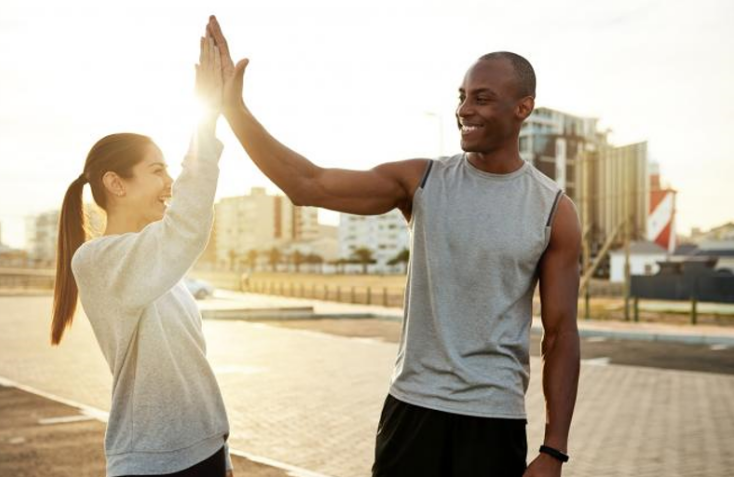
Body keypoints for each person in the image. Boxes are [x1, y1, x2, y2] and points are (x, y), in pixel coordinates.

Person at [206, 17, 581, 477]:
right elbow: (308, 184)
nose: (465, 109)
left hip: (493, 420)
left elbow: (562, 335)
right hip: (413, 410)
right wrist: (234, 111)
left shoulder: (553, 210)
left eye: (482, 98)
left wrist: (554, 450)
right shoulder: (421, 181)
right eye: (461, 96)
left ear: (524, 108)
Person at [50, 28, 234, 477]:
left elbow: (193, 367)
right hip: (151, 463)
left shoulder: (155, 264)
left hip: (206, 453)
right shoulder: (96, 262)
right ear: (116, 183)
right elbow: (186, 226)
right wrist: (206, 119)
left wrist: (223, 454)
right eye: (157, 170)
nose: (169, 183)